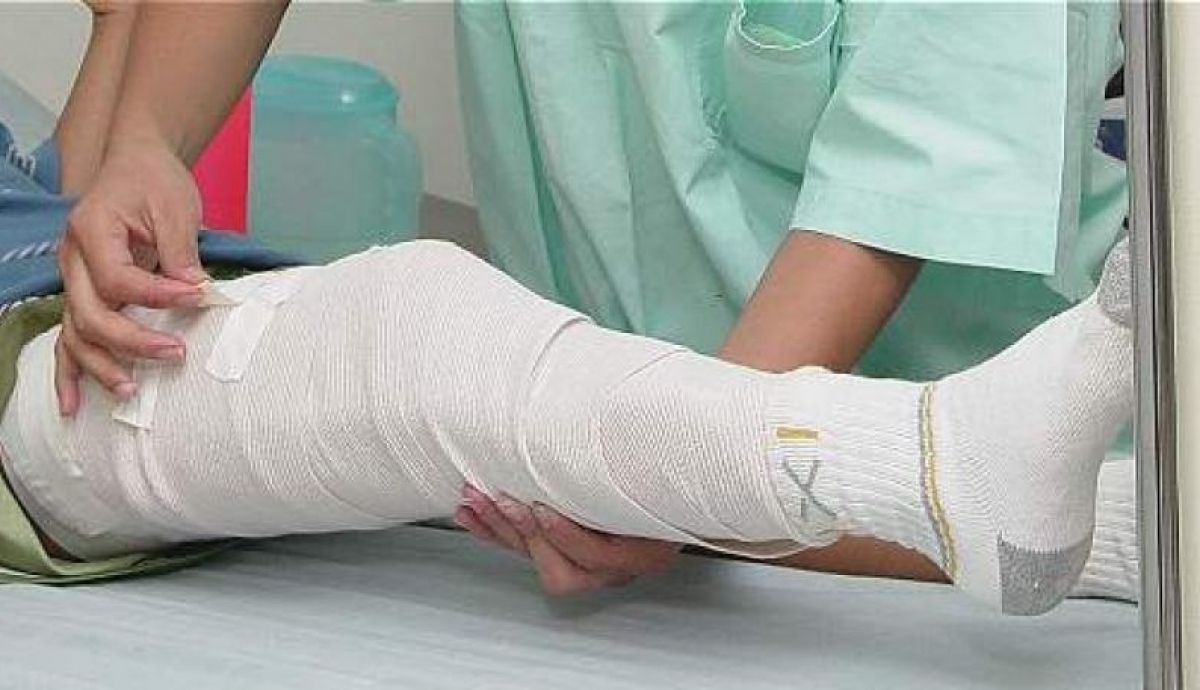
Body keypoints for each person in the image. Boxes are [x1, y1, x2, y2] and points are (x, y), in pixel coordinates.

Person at [54, 1, 1133, 595]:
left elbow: (906, 174)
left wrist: (680, 474)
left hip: (929, 381)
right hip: (600, 422)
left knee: (408, 346)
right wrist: (148, 139)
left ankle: (996, 485)